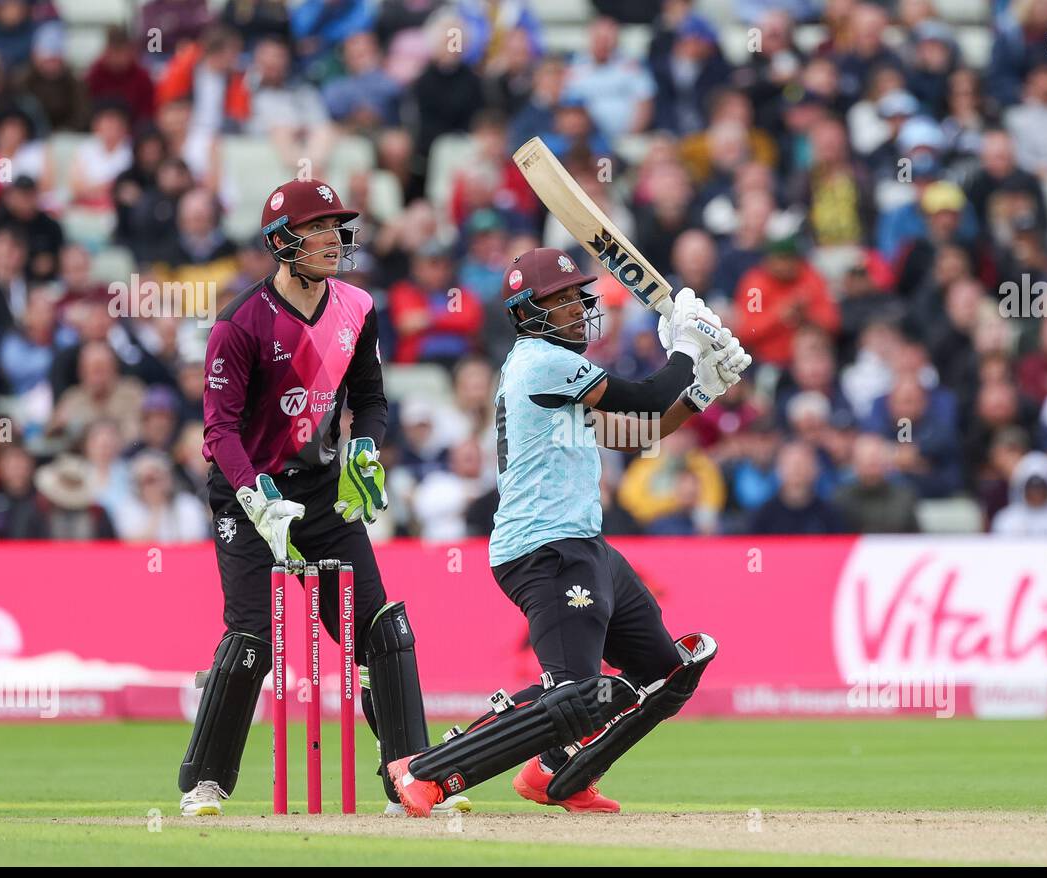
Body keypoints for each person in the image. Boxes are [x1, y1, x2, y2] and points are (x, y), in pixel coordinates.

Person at [386, 250, 751, 816]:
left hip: (583, 544)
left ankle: (559, 774)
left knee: (667, 672)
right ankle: (428, 768)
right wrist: (685, 345)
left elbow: (639, 431)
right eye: (562, 300)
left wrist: (702, 388)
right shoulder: (538, 362)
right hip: (543, 549)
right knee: (577, 694)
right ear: (528, 312)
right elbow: (649, 395)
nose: (579, 310)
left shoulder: (554, 370)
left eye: (579, 297)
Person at [178, 178, 469, 817]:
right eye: (318, 227)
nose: (334, 239)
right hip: (247, 496)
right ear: (283, 241)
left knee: (381, 632)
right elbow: (220, 430)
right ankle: (205, 782)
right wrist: (254, 494)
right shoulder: (239, 324)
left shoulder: (358, 307)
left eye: (338, 226)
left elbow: (369, 400)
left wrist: (364, 448)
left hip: (319, 493)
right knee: (253, 638)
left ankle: (411, 779)